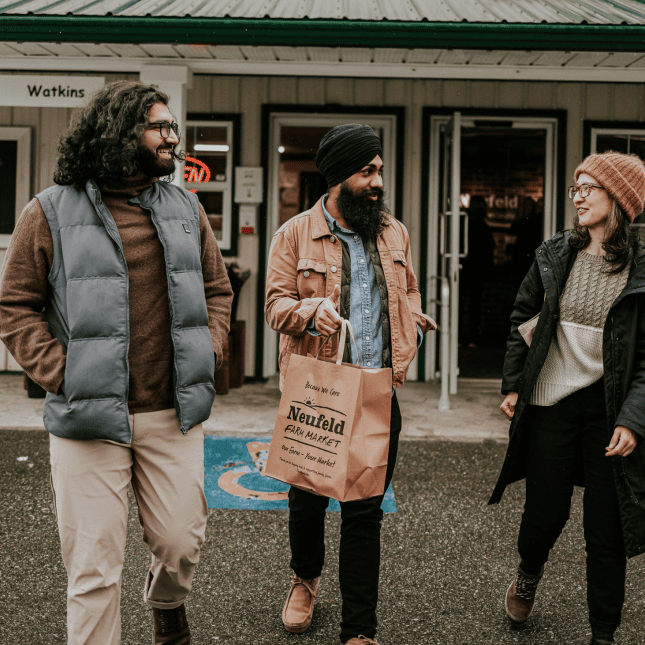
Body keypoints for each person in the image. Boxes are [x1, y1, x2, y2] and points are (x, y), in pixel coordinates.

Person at [0, 81, 233, 645]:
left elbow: (217, 289)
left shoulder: (185, 207)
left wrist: (210, 349)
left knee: (181, 543)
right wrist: (64, 373)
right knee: (93, 570)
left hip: (171, 412)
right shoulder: (50, 211)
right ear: (119, 131)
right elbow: (15, 305)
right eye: (159, 126)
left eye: (172, 127)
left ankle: (167, 603)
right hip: (88, 418)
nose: (171, 137)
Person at [265, 124, 436, 645]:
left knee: (365, 514)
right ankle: (305, 579)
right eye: (367, 171)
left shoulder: (394, 232)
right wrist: (311, 312)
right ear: (338, 176)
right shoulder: (294, 234)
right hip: (317, 390)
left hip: (377, 390)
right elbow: (275, 306)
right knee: (308, 500)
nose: (377, 180)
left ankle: (359, 630)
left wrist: (411, 318)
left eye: (380, 170)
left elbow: (405, 289)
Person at [490, 152, 645, 645]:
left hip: (610, 409)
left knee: (607, 530)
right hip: (552, 402)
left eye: (588, 187)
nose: (576, 195)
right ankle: (528, 575)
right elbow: (522, 315)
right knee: (545, 511)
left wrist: (634, 419)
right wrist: (514, 383)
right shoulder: (557, 253)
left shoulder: (641, 269)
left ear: (618, 199)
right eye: (575, 186)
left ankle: (604, 633)